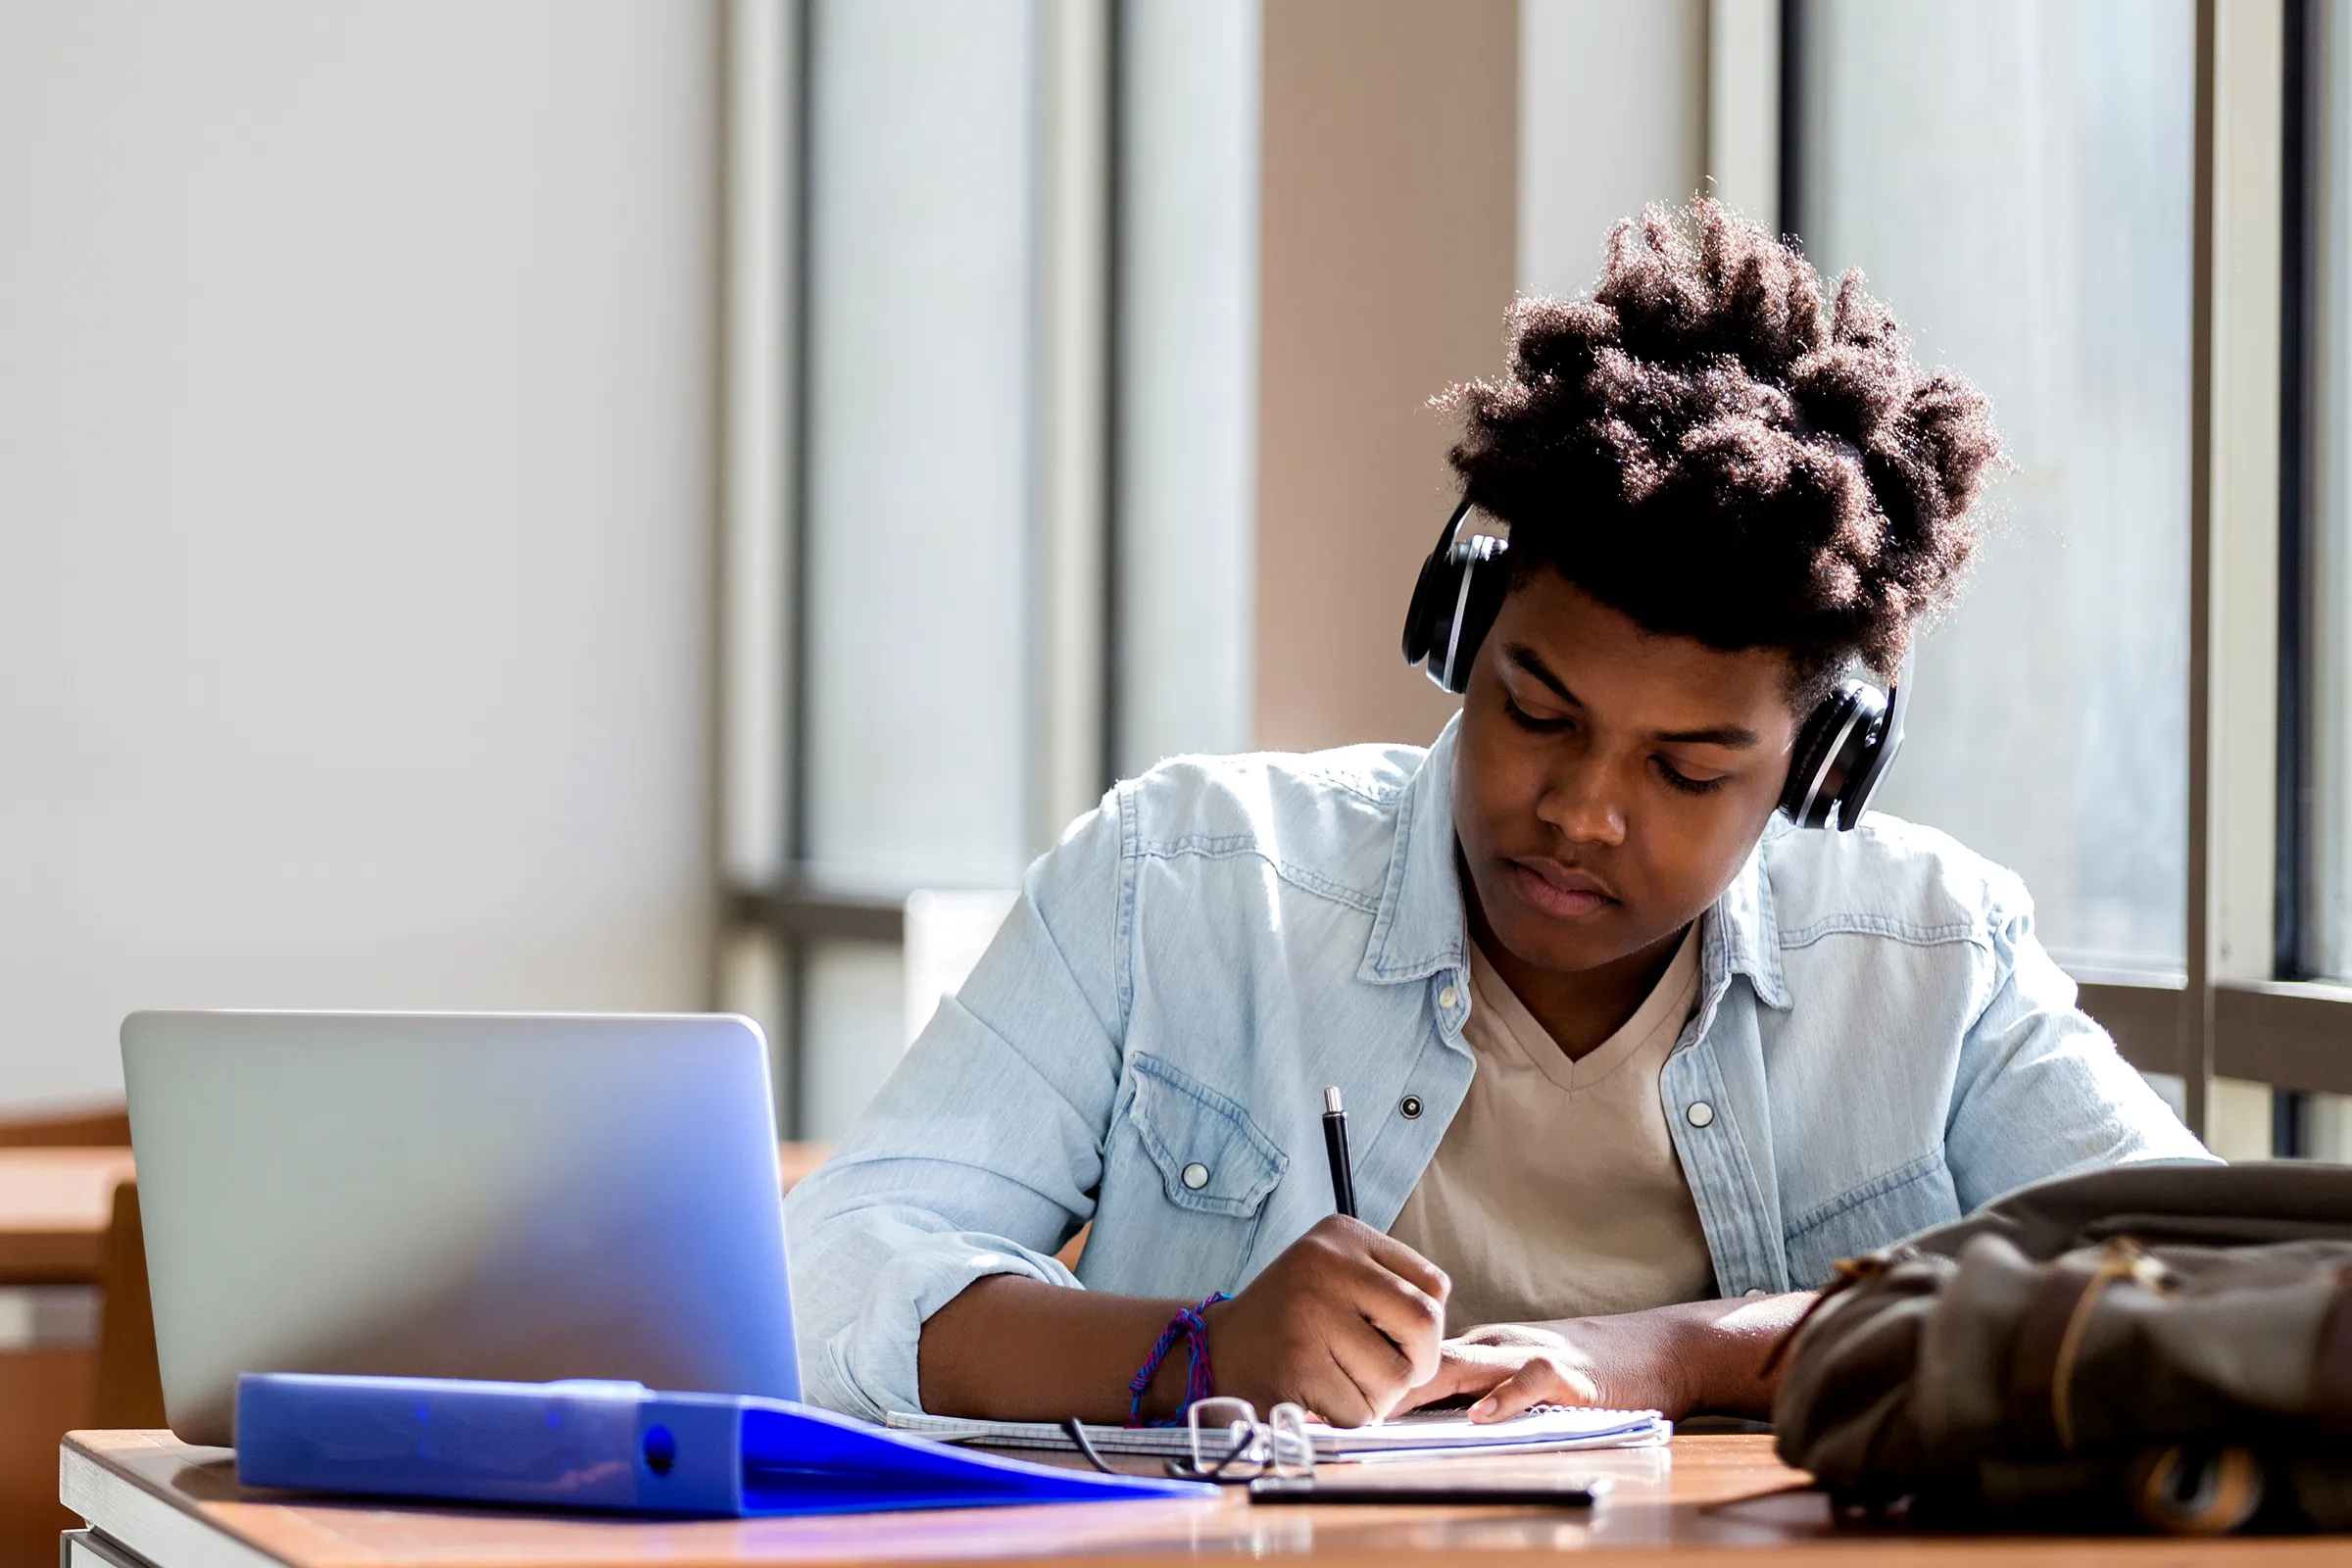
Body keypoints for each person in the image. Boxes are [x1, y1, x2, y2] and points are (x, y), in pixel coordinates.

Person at [783, 197, 2210, 1431]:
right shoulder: (1187, 879)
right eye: (1537, 711)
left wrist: (1682, 1354)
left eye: (1688, 771)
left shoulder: (1933, 962)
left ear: (1819, 768)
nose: (1581, 812)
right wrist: (1194, 1353)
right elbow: (831, 1272)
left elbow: (2208, 1296)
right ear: (1464, 635)